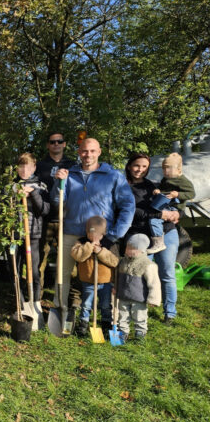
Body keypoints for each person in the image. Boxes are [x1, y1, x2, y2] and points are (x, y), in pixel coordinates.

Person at [52, 138, 135, 322]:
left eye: (92, 151)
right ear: (78, 152)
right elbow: (57, 202)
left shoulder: (113, 176)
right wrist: (59, 183)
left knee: (106, 277)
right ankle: (61, 310)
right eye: (84, 151)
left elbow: (128, 206)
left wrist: (113, 235)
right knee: (62, 272)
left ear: (99, 152)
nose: (87, 155)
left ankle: (109, 317)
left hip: (101, 237)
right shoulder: (69, 174)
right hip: (71, 233)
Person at [124, 153, 181, 325]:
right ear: (129, 166)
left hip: (167, 233)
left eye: (144, 167)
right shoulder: (123, 187)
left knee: (166, 273)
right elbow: (133, 212)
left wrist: (178, 213)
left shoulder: (153, 185)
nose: (140, 170)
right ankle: (140, 313)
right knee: (140, 273)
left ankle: (169, 313)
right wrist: (159, 214)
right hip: (141, 236)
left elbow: (174, 205)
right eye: (136, 165)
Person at [37, 132, 76, 295]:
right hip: (44, 218)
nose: (56, 144)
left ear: (64, 144)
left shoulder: (73, 165)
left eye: (60, 141)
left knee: (69, 262)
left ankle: (68, 297)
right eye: (52, 142)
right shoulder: (40, 165)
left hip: (67, 219)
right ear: (48, 145)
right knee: (40, 259)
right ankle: (35, 295)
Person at [69, 216, 120, 336]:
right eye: (89, 233)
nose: (93, 237)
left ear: (103, 233)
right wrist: (89, 247)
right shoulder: (81, 242)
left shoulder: (109, 244)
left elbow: (115, 261)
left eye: (96, 234)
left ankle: (107, 324)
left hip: (106, 282)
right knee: (86, 304)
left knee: (105, 304)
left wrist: (100, 251)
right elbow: (77, 256)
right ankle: (83, 324)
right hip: (88, 281)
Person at [13, 152, 50, 303]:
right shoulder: (11, 186)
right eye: (21, 166)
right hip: (14, 235)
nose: (24, 170)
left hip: (33, 234)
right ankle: (20, 303)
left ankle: (34, 303)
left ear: (34, 167)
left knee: (33, 271)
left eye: (28, 166)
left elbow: (45, 210)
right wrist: (15, 196)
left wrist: (33, 193)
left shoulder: (40, 186)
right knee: (15, 270)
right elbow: (1, 210)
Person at [116, 233, 161, 342]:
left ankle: (140, 333)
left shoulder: (148, 265)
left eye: (131, 249)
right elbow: (118, 277)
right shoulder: (123, 261)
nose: (127, 250)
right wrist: (115, 288)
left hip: (139, 298)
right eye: (127, 247)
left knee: (139, 316)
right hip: (123, 296)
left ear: (141, 250)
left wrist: (153, 299)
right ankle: (122, 333)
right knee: (122, 316)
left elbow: (154, 283)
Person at [147, 153, 195, 253]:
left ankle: (158, 242)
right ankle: (161, 234)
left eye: (168, 168)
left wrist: (178, 194)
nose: (165, 171)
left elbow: (191, 194)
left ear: (178, 169)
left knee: (155, 219)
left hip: (175, 207)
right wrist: (158, 191)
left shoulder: (183, 181)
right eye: (163, 169)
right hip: (166, 204)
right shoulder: (166, 179)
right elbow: (162, 188)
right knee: (153, 213)